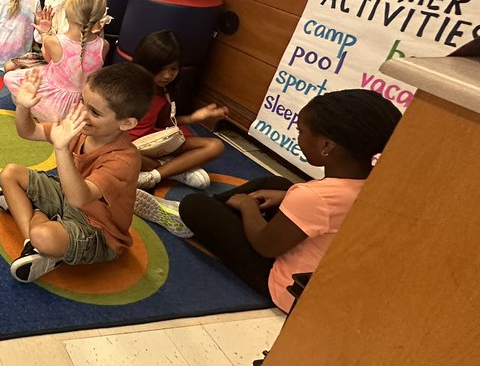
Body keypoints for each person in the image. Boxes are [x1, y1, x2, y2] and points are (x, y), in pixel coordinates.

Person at [170, 90, 401, 312]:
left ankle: (195, 218)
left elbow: (266, 246)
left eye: (301, 132)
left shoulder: (313, 197)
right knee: (278, 185)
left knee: (195, 205)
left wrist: (248, 207)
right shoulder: (377, 183)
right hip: (324, 275)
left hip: (286, 286)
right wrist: (286, 196)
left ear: (327, 146)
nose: (298, 137)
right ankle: (218, 213)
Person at [0, 63, 154, 282]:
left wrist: (61, 149)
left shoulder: (124, 159)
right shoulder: (80, 126)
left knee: (44, 235)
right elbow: (28, 131)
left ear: (126, 123)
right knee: (10, 173)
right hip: (68, 197)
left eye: (95, 112)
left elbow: (79, 198)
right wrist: (23, 107)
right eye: (82, 101)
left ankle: (36, 221)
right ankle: (31, 242)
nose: (82, 114)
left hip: (99, 230)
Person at [128, 30, 228, 190]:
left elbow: (162, 122)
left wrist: (194, 118)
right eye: (160, 69)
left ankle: (154, 175)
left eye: (173, 69)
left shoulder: (165, 90)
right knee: (125, 154)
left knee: (216, 146)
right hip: (128, 146)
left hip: (153, 142)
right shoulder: (128, 87)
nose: (167, 75)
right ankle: (172, 168)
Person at [3, 0, 109, 122]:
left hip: (53, 107)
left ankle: (40, 114)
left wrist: (45, 33)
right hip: (79, 109)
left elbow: (47, 59)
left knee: (10, 78)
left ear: (67, 11)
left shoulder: (55, 42)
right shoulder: (104, 45)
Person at [6, 0, 100, 71]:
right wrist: (43, 29)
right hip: (49, 55)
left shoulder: (95, 17)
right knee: (9, 66)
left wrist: (47, 35)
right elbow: (44, 47)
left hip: (68, 66)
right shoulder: (58, 6)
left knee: (22, 75)